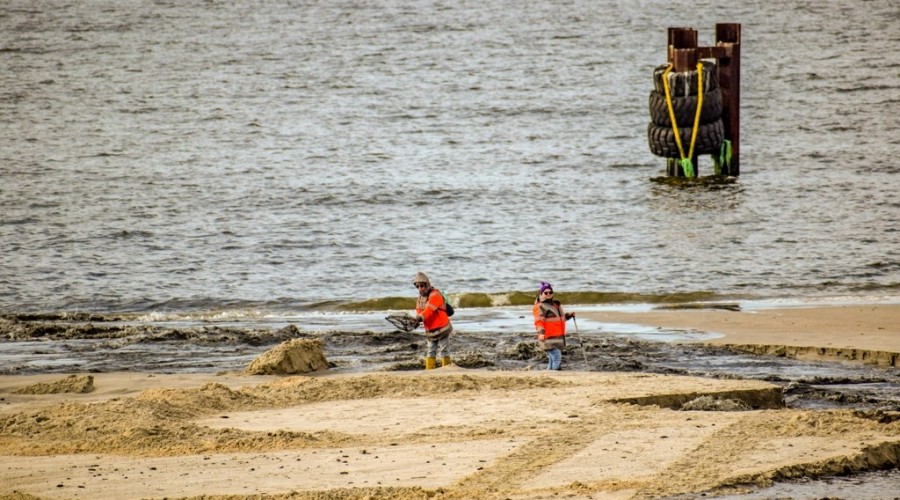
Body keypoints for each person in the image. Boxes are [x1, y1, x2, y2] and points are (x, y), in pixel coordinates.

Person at [411, 271, 453, 369]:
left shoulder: (435, 295)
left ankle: (447, 370)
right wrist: (416, 320)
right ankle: (430, 370)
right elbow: (419, 311)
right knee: (431, 351)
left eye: (422, 286)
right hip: (430, 329)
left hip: (442, 327)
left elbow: (429, 310)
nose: (420, 288)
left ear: (427, 285)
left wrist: (420, 318)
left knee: (444, 350)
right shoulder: (420, 298)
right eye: (418, 287)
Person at [533, 281, 575, 370]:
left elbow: (560, 319)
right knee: (556, 356)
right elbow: (539, 321)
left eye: (550, 292)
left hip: (557, 337)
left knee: (552, 359)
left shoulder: (556, 305)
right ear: (541, 294)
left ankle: (549, 374)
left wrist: (569, 316)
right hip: (547, 337)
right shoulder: (540, 306)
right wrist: (541, 333)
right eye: (546, 293)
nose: (548, 294)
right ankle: (556, 373)